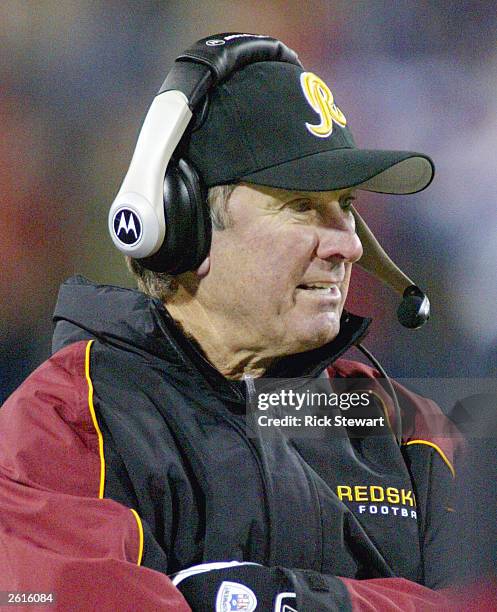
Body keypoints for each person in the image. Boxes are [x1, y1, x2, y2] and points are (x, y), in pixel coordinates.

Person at [0, 34, 461, 611]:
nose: (347, 244)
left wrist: (306, 603)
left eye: (346, 205)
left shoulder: (409, 429)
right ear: (184, 224)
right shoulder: (66, 421)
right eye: (301, 206)